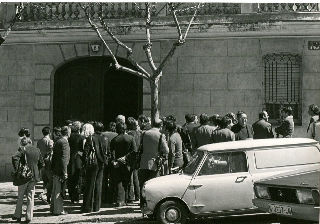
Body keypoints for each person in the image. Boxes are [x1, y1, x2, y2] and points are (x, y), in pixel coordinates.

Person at [12, 136, 44, 223]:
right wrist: (36, 170)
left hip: (24, 176)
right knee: (31, 197)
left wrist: (17, 169)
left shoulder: (22, 149)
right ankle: (29, 217)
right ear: (30, 142)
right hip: (33, 176)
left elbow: (14, 157)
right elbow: (41, 163)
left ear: (22, 143)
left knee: (20, 196)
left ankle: (18, 215)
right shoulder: (37, 150)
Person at [138, 118, 169, 207]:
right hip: (155, 163)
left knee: (143, 184)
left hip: (143, 162)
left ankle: (143, 203)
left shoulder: (144, 133)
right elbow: (166, 150)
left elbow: (140, 147)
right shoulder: (160, 135)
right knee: (153, 185)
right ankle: (152, 204)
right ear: (161, 125)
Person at [82, 122, 108, 213]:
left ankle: (88, 207)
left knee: (90, 185)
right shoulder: (105, 138)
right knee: (98, 184)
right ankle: (96, 206)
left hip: (92, 163)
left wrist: (84, 163)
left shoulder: (91, 138)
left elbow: (86, 152)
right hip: (101, 163)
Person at [110, 121, 137, 206]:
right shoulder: (130, 138)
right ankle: (127, 199)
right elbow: (134, 151)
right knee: (128, 181)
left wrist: (114, 161)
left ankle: (119, 200)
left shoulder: (114, 140)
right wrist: (125, 157)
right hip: (127, 162)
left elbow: (111, 152)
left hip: (117, 162)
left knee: (119, 181)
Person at [50, 126, 71, 215]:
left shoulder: (58, 141)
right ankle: (58, 210)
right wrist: (65, 172)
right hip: (60, 170)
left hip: (56, 169)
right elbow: (64, 159)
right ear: (68, 133)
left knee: (55, 190)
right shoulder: (64, 142)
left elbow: (54, 157)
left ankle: (53, 208)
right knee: (58, 190)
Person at [67, 121, 85, 204]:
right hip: (78, 159)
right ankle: (76, 196)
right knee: (78, 178)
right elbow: (82, 150)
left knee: (70, 177)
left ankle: (71, 196)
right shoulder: (82, 137)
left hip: (70, 159)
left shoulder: (69, 137)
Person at [37, 126, 54, 203]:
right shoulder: (50, 141)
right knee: (51, 180)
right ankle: (44, 194)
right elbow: (51, 151)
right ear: (49, 132)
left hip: (41, 162)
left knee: (45, 180)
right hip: (48, 162)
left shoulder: (39, 141)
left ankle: (47, 197)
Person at [126, 117, 141, 203]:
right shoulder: (140, 133)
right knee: (136, 176)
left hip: (131, 156)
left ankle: (131, 197)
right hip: (138, 156)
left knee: (130, 177)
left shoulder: (129, 134)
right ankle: (138, 195)